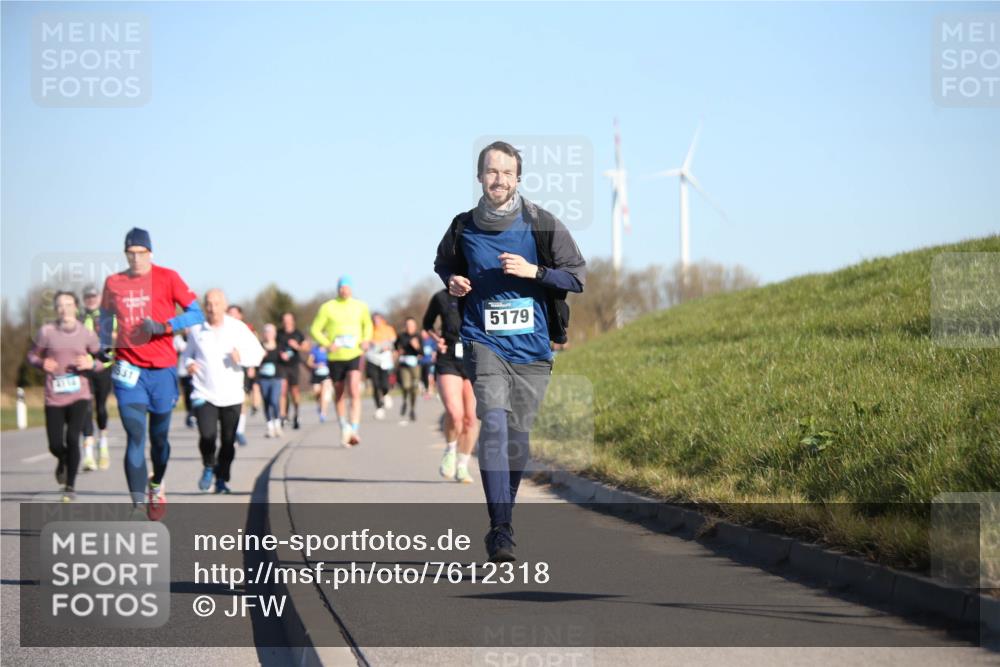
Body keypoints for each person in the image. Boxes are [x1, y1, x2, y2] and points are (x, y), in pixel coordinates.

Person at [434, 141, 586, 561]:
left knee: (517, 439)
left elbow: (576, 278)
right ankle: (500, 529)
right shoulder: (463, 226)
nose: (498, 179)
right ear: (479, 176)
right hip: (483, 341)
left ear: (517, 178)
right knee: (495, 425)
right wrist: (454, 281)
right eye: (490, 171)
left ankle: (505, 514)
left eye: (506, 172)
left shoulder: (541, 223)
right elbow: (444, 264)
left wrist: (534, 270)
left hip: (533, 349)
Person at [100, 227, 204, 520]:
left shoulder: (168, 277)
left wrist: (164, 326)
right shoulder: (113, 282)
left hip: (162, 370)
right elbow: (105, 316)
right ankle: (135, 505)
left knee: (159, 439)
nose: (135, 259)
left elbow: (196, 313)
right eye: (130, 253)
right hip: (127, 368)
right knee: (135, 434)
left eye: (140, 253)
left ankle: (156, 483)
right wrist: (103, 343)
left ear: (150, 253)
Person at [181, 289, 265, 494]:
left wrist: (242, 357)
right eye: (208, 304)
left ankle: (221, 479)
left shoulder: (237, 328)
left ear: (224, 305)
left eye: (216, 303)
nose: (212, 308)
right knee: (207, 436)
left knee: (228, 441)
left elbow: (258, 353)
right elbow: (185, 356)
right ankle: (209, 465)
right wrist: (190, 364)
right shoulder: (197, 330)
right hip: (204, 393)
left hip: (231, 395)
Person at [27, 291, 106, 502]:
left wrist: (91, 364)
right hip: (54, 396)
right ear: (56, 309)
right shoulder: (47, 332)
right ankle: (62, 459)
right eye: (60, 305)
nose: (65, 309)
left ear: (76, 307)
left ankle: (70, 486)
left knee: (73, 438)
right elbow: (32, 355)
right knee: (54, 444)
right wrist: (40, 363)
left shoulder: (86, 334)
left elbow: (104, 360)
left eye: (69, 304)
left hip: (80, 394)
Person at [310, 276, 372, 447]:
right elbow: (315, 329)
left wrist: (366, 339)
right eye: (341, 287)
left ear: (352, 289)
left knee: (354, 389)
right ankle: (343, 425)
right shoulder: (328, 307)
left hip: (354, 353)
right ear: (337, 289)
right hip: (336, 357)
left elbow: (367, 325)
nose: (344, 290)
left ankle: (355, 428)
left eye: (347, 287)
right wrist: (327, 344)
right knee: (339, 393)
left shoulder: (361, 306)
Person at [423, 288, 478, 484]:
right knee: (455, 414)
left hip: (476, 358)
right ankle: (451, 450)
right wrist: (437, 340)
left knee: (471, 418)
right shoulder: (441, 297)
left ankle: (463, 466)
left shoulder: (480, 291)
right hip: (449, 359)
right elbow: (427, 324)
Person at [79, 285, 112, 471]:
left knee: (100, 407)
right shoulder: (79, 318)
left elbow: (115, 339)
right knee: (86, 407)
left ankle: (103, 445)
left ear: (99, 298)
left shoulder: (108, 317)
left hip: (103, 368)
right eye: (87, 296)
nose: (91, 299)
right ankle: (89, 454)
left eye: (94, 296)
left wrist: (107, 357)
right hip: (84, 368)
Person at [226, 304, 255, 445]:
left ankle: (240, 431)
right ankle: (230, 429)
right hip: (224, 369)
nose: (231, 316)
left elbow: (252, 349)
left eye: (234, 313)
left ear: (240, 316)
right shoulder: (221, 328)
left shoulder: (246, 330)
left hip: (241, 367)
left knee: (242, 399)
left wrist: (251, 365)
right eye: (229, 313)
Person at [364, 313, 396, 420]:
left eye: (378, 320)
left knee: (384, 382)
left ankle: (386, 394)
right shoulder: (369, 329)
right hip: (372, 359)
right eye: (374, 320)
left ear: (382, 320)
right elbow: (364, 342)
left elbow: (393, 341)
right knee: (375, 383)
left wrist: (386, 345)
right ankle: (379, 408)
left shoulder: (388, 329)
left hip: (384, 359)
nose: (376, 322)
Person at [277, 312, 305, 430]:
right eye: (285, 319)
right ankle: (282, 416)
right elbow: (273, 346)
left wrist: (297, 346)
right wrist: (280, 353)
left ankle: (296, 413)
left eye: (289, 319)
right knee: (282, 390)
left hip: (294, 365)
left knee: (294, 391)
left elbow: (306, 347)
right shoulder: (278, 334)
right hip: (281, 365)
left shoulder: (298, 333)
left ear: (293, 321)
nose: (287, 322)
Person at [257, 324, 284, 438]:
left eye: (270, 332)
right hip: (263, 378)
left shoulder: (279, 346)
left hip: (276, 377)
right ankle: (270, 427)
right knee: (266, 401)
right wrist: (261, 357)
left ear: (274, 334)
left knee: (274, 400)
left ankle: (277, 424)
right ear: (263, 333)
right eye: (266, 331)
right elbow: (254, 361)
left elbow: (287, 360)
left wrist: (285, 357)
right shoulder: (259, 346)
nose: (268, 334)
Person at [395, 317, 422, 424]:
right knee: (406, 385)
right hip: (404, 365)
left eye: (412, 325)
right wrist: (398, 351)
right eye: (407, 325)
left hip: (415, 365)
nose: (409, 327)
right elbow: (395, 346)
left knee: (414, 388)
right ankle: (405, 400)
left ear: (415, 326)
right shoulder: (401, 336)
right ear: (405, 326)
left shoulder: (418, 336)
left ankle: (412, 409)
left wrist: (417, 347)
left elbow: (422, 351)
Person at [306, 340, 333, 422]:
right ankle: (319, 405)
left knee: (324, 394)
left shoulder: (329, 349)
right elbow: (309, 362)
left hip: (327, 375)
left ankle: (323, 413)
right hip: (316, 374)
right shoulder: (314, 350)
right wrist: (316, 365)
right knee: (317, 392)